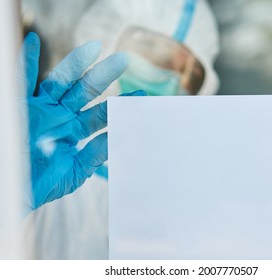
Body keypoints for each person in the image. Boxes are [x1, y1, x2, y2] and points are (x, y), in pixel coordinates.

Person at [22, 0, 221, 259]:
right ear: (107, 37)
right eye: (155, 52)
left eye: (191, 74)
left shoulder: (189, 197)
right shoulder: (49, 162)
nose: (174, 80)